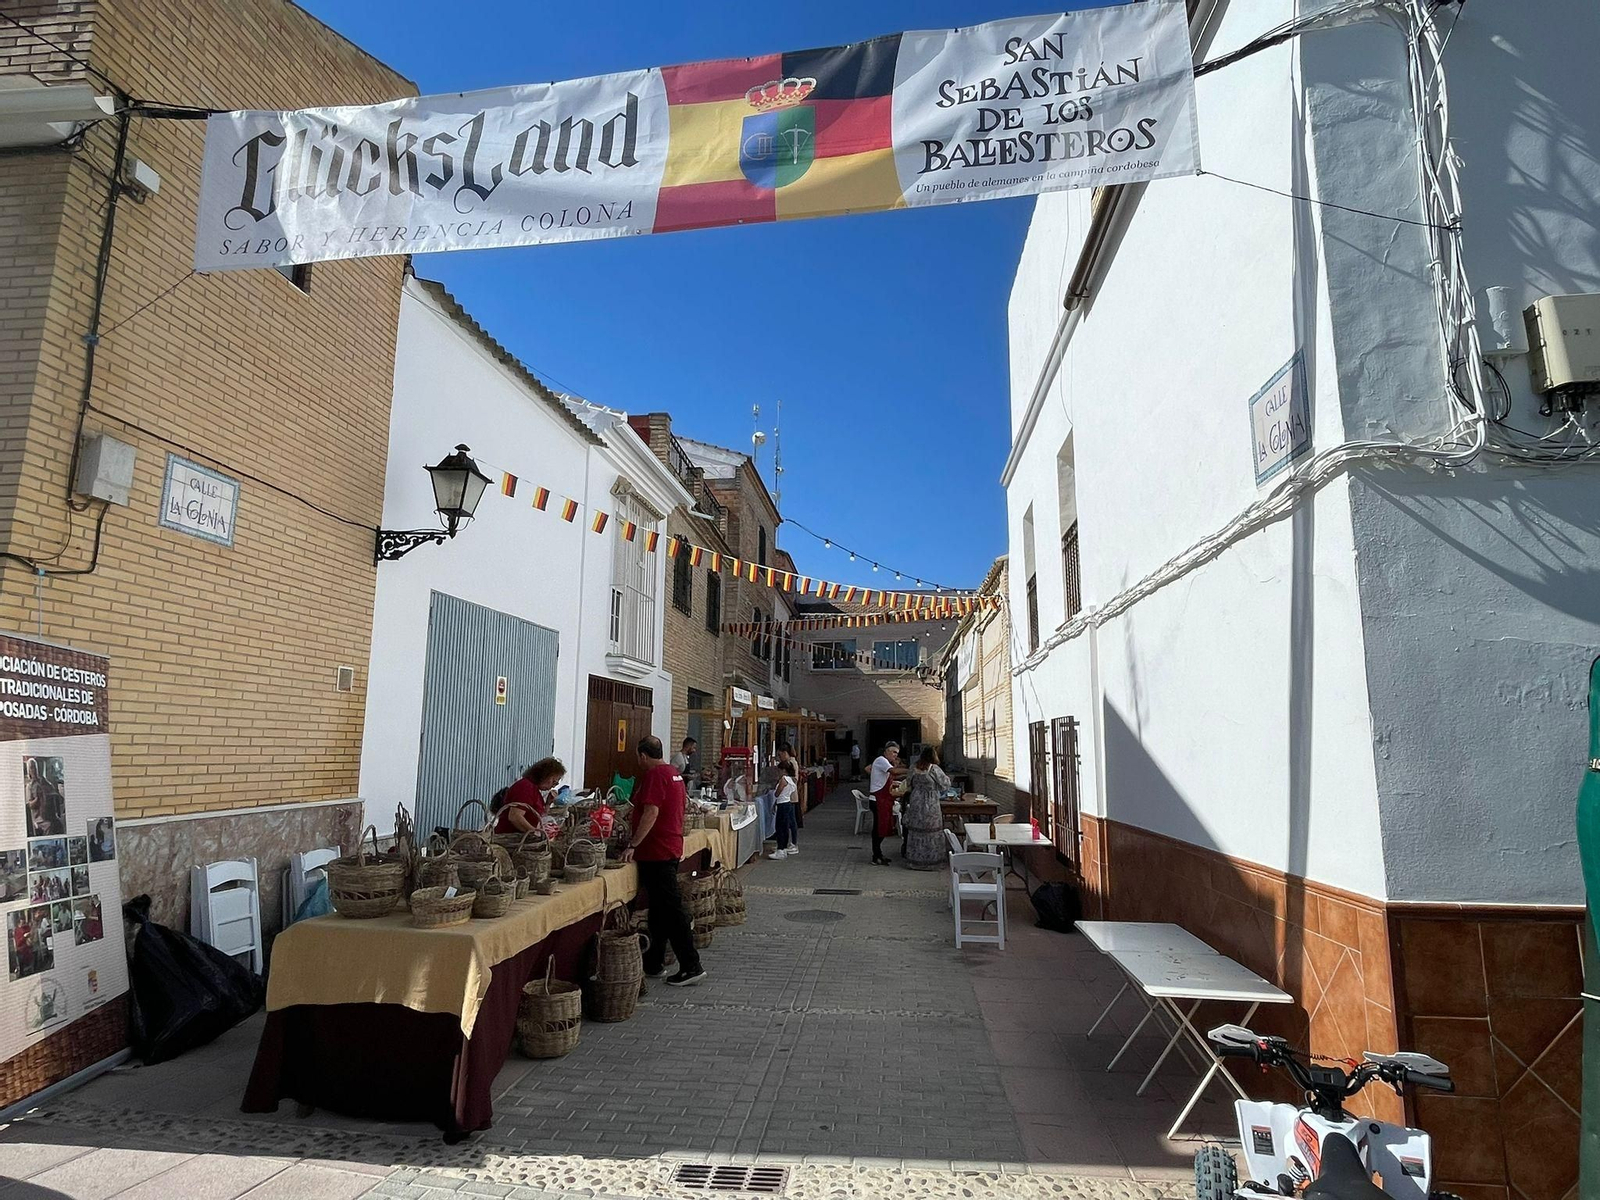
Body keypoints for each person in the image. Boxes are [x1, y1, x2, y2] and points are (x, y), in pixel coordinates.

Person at [621, 735, 705, 987]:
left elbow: (652, 811)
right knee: (658, 910)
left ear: (643, 756)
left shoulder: (655, 776)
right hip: (667, 848)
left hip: (657, 852)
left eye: (638, 757)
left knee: (671, 909)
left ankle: (691, 965)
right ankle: (654, 962)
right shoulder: (673, 774)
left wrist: (633, 843)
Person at [903, 749, 952, 870]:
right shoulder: (934, 769)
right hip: (931, 803)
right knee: (932, 830)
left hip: (916, 801)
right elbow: (944, 785)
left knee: (916, 830)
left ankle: (915, 861)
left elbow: (908, 782)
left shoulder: (913, 767)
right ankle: (932, 862)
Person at [492, 758, 564, 834]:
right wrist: (535, 833)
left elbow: (540, 818)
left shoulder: (535, 791)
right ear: (544, 775)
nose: (553, 785)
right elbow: (515, 817)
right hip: (510, 837)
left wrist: (548, 804)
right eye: (553, 781)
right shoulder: (526, 787)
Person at [867, 742, 904, 865]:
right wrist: (914, 770)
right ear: (886, 751)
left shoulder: (884, 762)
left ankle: (879, 854)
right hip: (877, 800)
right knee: (878, 829)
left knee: (882, 828)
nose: (895, 755)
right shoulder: (881, 760)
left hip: (884, 799)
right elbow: (893, 771)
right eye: (893, 752)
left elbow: (869, 769)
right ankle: (876, 855)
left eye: (897, 753)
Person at [771, 762, 800, 858]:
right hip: (787, 802)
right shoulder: (792, 780)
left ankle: (780, 849)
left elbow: (777, 793)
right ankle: (783, 847)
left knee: (780, 827)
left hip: (782, 804)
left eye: (779, 770)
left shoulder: (784, 780)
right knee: (785, 826)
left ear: (783, 770)